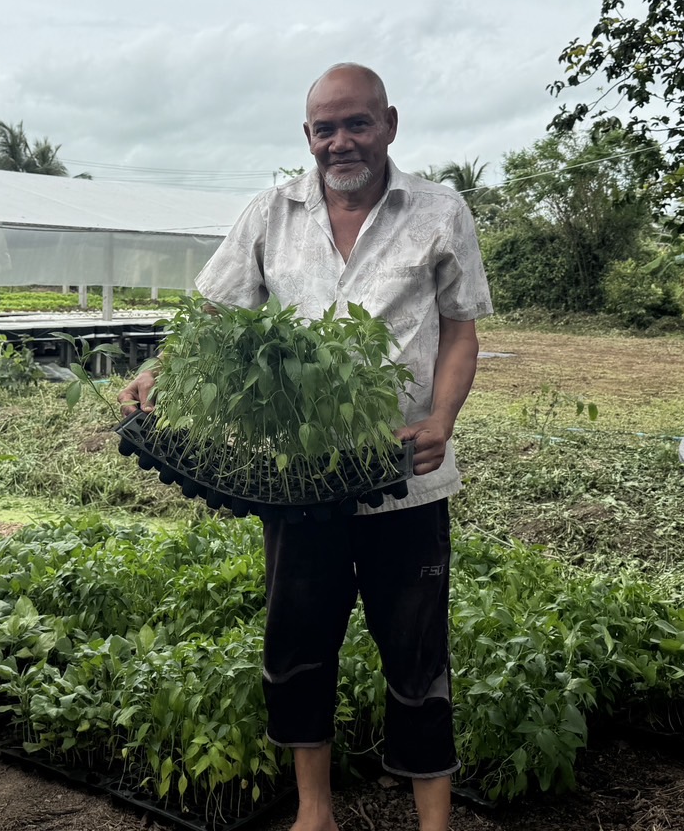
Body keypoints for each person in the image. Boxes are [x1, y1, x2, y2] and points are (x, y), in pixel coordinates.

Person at [121, 64, 491, 831]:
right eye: (326, 128)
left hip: (407, 476)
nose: (341, 141)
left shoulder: (439, 210)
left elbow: (461, 329)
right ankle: (314, 814)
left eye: (357, 123)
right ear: (308, 136)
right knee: (298, 644)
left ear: (389, 124)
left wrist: (442, 418)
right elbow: (212, 318)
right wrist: (161, 370)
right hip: (297, 481)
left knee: (418, 654)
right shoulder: (270, 213)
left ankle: (435, 824)